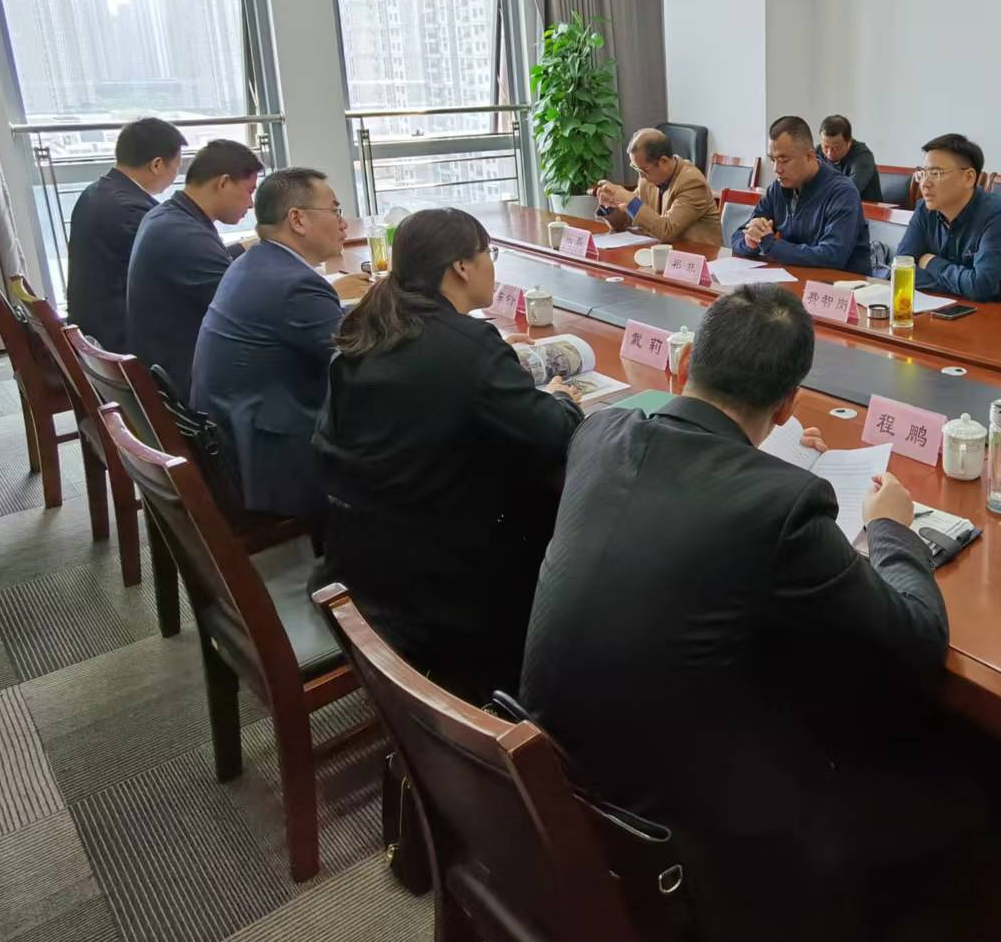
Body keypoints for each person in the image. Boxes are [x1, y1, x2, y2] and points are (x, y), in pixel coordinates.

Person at [522, 284, 963, 942]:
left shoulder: (598, 432)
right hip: (678, 830)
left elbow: (690, 495)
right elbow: (918, 641)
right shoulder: (784, 506)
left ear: (686, 363)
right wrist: (892, 531)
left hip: (559, 777)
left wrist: (767, 461)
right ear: (788, 402)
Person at [314, 208, 583, 700]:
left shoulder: (367, 325)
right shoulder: (467, 345)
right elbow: (555, 434)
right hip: (441, 586)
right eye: (488, 254)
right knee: (565, 521)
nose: (491, 265)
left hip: (358, 561)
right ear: (461, 266)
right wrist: (562, 398)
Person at [190, 169, 369, 522]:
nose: (343, 223)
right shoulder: (293, 285)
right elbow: (363, 360)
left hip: (236, 438)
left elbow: (329, 328)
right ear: (298, 219)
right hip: (271, 459)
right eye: (335, 210)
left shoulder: (257, 263)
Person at [124, 139, 264, 401]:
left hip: (164, 366)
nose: (251, 203)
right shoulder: (185, 236)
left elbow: (215, 264)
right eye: (249, 191)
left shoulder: (168, 216)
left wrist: (257, 245)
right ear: (223, 183)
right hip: (187, 386)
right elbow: (252, 310)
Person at [66, 117, 184, 352]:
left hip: (92, 325)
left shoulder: (96, 192)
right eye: (177, 166)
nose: (176, 175)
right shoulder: (132, 210)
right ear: (157, 165)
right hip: (120, 338)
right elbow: (179, 266)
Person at [889, 132, 1001, 305]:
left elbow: (980, 287)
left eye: (936, 173)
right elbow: (900, 270)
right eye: (923, 173)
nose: (924, 183)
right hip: (940, 308)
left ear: (969, 178)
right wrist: (962, 284)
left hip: (996, 314)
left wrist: (930, 262)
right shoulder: (924, 209)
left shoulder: (998, 215)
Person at [731, 115, 870, 273]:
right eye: (773, 160)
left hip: (842, 284)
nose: (777, 169)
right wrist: (750, 240)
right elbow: (737, 236)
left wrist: (771, 245)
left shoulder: (842, 192)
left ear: (809, 156)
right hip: (795, 278)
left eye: (784, 160)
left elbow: (832, 256)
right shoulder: (778, 188)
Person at [591, 127, 723, 248]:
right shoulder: (647, 180)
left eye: (643, 170)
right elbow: (627, 220)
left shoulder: (692, 183)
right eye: (636, 169)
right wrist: (610, 206)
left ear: (663, 162)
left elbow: (667, 230)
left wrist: (630, 200)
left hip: (698, 257)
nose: (641, 176)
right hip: (662, 254)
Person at [819, 114, 882, 202]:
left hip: (863, 208)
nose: (829, 153)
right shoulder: (817, 152)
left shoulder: (862, 156)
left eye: (837, 148)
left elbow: (848, 191)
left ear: (849, 142)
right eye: (826, 147)